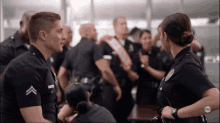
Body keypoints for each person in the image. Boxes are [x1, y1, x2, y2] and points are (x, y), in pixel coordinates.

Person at [1, 12, 66, 123]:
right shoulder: (27, 68)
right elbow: (35, 121)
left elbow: (47, 110)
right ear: (43, 35)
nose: (64, 37)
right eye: (59, 32)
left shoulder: (42, 62)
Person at [157, 13, 219, 123]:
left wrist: (175, 113)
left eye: (160, 35)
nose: (159, 39)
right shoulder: (180, 61)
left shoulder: (186, 65)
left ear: (165, 36)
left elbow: (216, 99)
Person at [57, 23, 121, 122]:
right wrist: (116, 85)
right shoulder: (94, 47)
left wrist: (70, 92)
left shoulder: (72, 50)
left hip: (77, 96)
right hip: (92, 94)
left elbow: (61, 75)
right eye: (94, 30)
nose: (97, 33)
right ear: (86, 33)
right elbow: (105, 70)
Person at [99, 17, 139, 123]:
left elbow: (135, 71)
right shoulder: (107, 44)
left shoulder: (132, 45)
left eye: (126, 23)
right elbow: (104, 68)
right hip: (111, 89)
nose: (125, 26)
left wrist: (129, 71)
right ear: (115, 27)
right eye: (121, 24)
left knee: (126, 118)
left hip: (127, 89)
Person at [0, 11, 35, 122]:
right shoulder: (6, 48)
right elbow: (6, 80)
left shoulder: (37, 48)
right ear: (21, 24)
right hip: (13, 110)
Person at [135, 29, 166, 105]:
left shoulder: (158, 52)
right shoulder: (137, 55)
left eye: (149, 37)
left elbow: (163, 75)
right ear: (140, 40)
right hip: (143, 93)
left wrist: (147, 67)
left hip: (159, 92)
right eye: (144, 38)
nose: (148, 40)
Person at [0, 11, 35, 77]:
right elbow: (4, 79)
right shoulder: (5, 48)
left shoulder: (39, 47)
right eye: (30, 26)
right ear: (21, 24)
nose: (32, 31)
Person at [49, 25, 73, 104]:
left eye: (72, 32)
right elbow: (51, 70)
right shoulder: (58, 50)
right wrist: (57, 89)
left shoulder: (69, 49)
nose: (71, 35)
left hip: (68, 84)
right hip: (61, 87)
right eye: (69, 32)